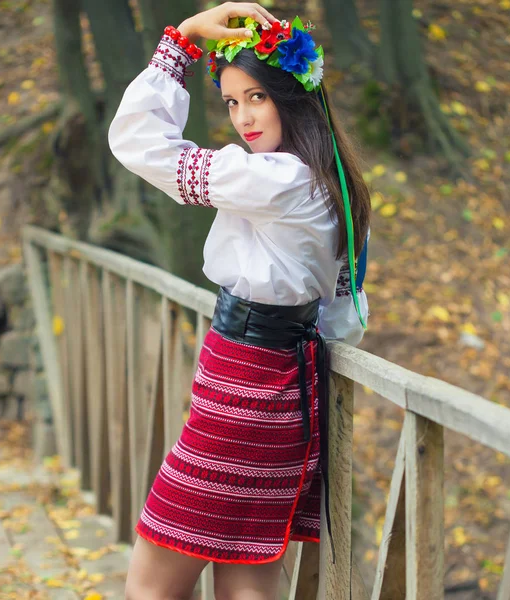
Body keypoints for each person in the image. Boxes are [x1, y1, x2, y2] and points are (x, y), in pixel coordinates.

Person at [107, 3, 371, 598]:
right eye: (231, 102)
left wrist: (184, 39)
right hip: (284, 389)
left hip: (246, 384)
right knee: (245, 581)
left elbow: (138, 142)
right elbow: (341, 312)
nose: (243, 118)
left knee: (150, 580)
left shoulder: (274, 179)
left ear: (293, 96)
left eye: (257, 97)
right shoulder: (336, 182)